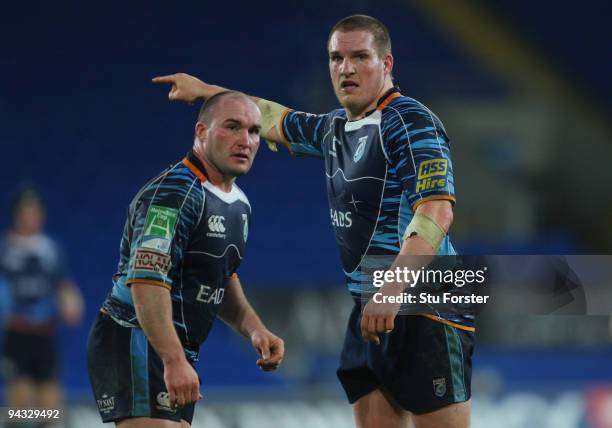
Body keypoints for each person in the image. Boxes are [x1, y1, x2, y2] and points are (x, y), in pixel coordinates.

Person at [153, 14, 474, 428]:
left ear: (387, 64)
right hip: (369, 305)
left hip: (426, 301)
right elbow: (273, 118)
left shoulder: (411, 122)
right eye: (336, 58)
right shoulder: (335, 128)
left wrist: (392, 289)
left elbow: (437, 211)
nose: (346, 68)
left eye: (360, 57)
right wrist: (207, 92)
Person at [86, 91, 284, 428]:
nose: (245, 141)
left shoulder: (239, 203)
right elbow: (147, 281)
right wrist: (173, 358)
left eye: (253, 131)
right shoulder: (173, 194)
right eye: (232, 127)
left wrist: (255, 330)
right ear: (202, 132)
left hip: (173, 348)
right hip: (136, 338)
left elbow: (220, 277)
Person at [0, 188, 84, 415]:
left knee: (51, 405)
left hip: (44, 333)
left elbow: (63, 283)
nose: (30, 217)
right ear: (16, 215)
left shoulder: (50, 249)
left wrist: (71, 301)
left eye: (34, 212)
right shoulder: (5, 248)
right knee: (20, 404)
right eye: (25, 212)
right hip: (17, 331)